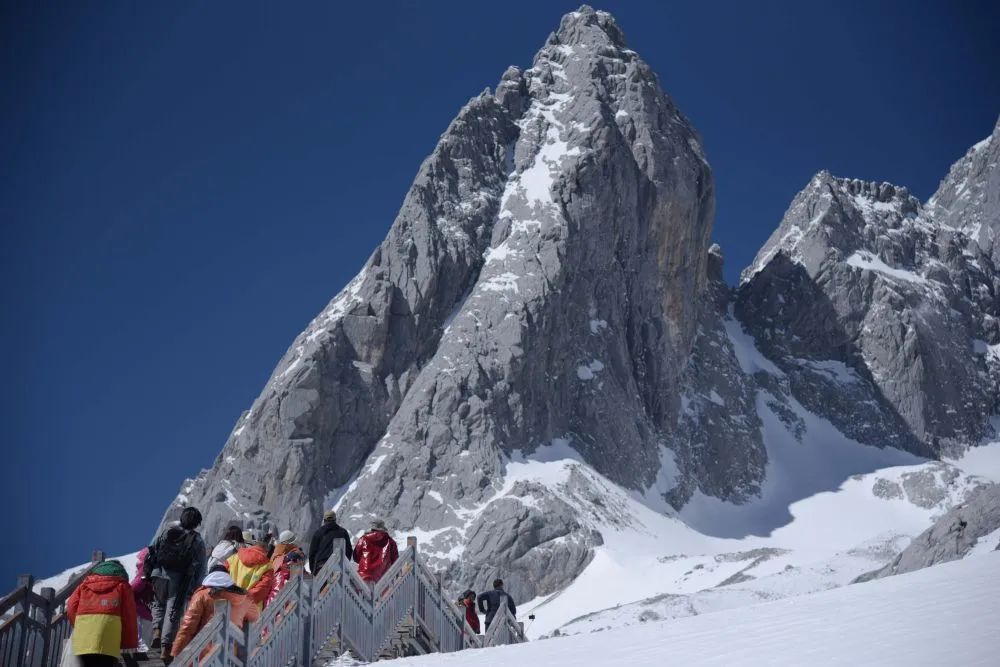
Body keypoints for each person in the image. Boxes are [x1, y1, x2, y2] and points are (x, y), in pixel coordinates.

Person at [145, 507, 207, 659]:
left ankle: (156, 632)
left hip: (158, 573)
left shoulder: (167, 530)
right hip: (179, 579)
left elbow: (152, 547)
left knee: (158, 604)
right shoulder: (197, 539)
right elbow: (201, 566)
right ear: (196, 523)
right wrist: (196, 587)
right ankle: (166, 649)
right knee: (173, 610)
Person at [170, 570, 260, 660]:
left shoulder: (202, 595)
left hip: (203, 654)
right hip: (230, 654)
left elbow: (188, 626)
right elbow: (255, 616)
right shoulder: (243, 598)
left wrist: (177, 651)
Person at [67, 560, 138, 667]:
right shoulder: (123, 586)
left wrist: (78, 625)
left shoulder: (84, 585)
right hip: (109, 637)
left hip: (84, 637)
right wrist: (128, 642)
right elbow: (129, 616)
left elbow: (71, 606)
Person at [226, 532, 275, 609]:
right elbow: (262, 588)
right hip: (251, 609)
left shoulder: (234, 558)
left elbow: (221, 575)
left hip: (231, 605)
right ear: (266, 550)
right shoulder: (267, 566)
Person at [308, 509, 353, 575]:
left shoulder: (318, 532)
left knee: (322, 585)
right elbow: (349, 550)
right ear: (335, 520)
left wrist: (313, 570)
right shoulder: (343, 532)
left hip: (321, 567)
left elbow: (312, 553)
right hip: (338, 567)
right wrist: (344, 564)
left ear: (324, 520)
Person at [352, 519, 399, 584]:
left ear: (372, 528)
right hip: (383, 580)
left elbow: (356, 557)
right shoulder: (391, 542)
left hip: (364, 578)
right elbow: (396, 563)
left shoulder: (364, 539)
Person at [129, 548, 155, 648]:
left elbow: (133, 589)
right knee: (144, 638)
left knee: (141, 638)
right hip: (143, 611)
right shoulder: (148, 572)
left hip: (138, 610)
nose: (137, 562)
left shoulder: (142, 573)